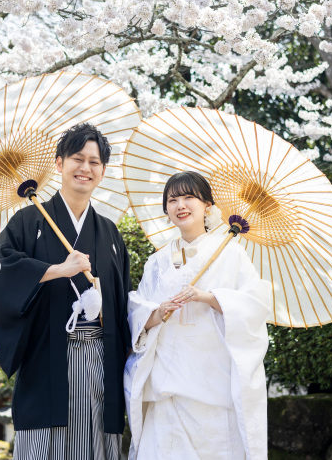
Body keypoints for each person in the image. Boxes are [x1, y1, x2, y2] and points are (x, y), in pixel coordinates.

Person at [0, 123, 132, 460]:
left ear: (103, 171)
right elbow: (5, 273)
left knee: (97, 442)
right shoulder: (27, 223)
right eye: (77, 159)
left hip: (101, 359)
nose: (85, 168)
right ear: (59, 163)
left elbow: (123, 301)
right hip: (48, 357)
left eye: (94, 162)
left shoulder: (110, 233)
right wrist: (57, 270)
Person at [124, 171, 271, 460]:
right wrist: (158, 311)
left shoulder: (230, 254)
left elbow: (254, 305)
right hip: (166, 388)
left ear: (207, 206)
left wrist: (208, 297)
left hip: (213, 387)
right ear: (166, 210)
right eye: (172, 200)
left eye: (189, 197)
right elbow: (137, 315)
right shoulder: (156, 262)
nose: (180, 205)